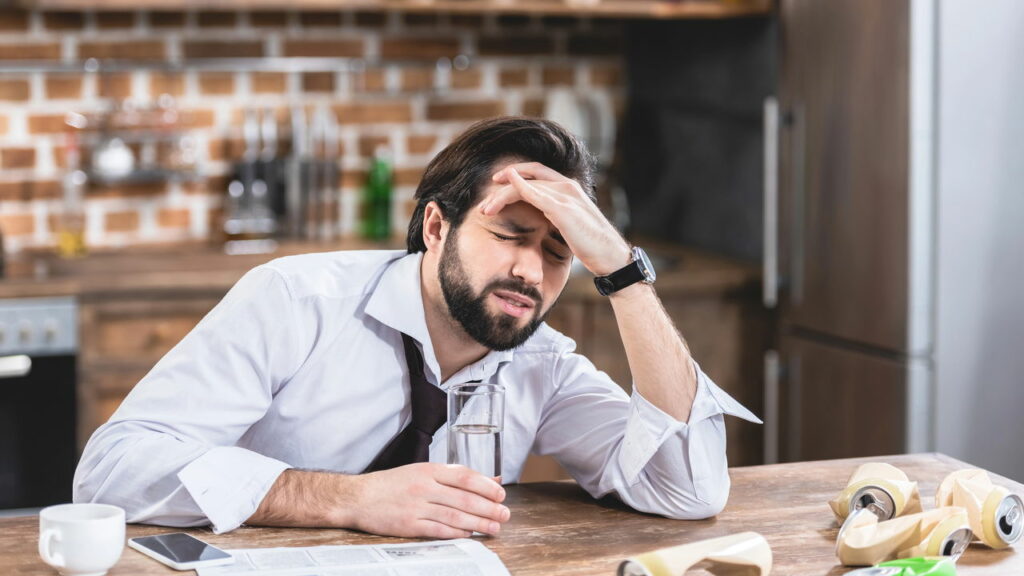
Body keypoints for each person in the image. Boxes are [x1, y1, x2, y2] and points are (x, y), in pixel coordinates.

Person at [74, 117, 759, 539]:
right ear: (436, 227)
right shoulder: (297, 300)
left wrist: (620, 270)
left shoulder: (543, 364)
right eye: (511, 234)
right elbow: (110, 473)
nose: (530, 270)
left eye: (559, 255)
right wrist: (346, 499)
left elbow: (689, 490)